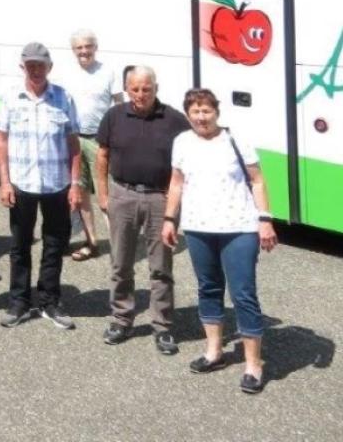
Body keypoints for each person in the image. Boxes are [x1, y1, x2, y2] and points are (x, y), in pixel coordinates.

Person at [163, 88, 278, 393]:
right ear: (188, 114)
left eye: (206, 111)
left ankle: (253, 365)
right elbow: (176, 184)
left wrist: (265, 219)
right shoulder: (182, 141)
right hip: (198, 228)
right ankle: (214, 352)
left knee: (243, 294)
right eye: (195, 111)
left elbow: (257, 181)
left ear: (217, 112)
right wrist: (169, 219)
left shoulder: (235, 139)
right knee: (208, 288)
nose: (201, 117)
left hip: (239, 228)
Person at [95, 66, 191, 355]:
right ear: (127, 89)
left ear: (156, 88)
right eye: (134, 89)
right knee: (120, 263)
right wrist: (103, 194)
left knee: (161, 267)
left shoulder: (175, 120)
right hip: (122, 195)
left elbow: (187, 162)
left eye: (146, 89)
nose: (140, 94)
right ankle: (121, 319)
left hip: (159, 198)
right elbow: (102, 156)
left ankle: (162, 326)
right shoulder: (114, 116)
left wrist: (176, 201)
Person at [0, 42, 81, 330]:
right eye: (30, 65)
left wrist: (75, 184)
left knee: (54, 246)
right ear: (23, 67)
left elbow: (74, 143)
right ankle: (19, 302)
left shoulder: (64, 97)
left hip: (57, 184)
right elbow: (1, 141)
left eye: (40, 65)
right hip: (21, 184)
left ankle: (49, 302)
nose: (35, 70)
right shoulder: (10, 98)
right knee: (20, 246)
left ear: (49, 67)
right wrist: (4, 181)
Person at [58, 30, 123, 261]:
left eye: (88, 46)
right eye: (79, 47)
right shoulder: (65, 74)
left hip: (100, 141)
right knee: (82, 193)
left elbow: (119, 105)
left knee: (107, 195)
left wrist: (116, 137)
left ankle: (119, 249)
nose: (84, 51)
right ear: (73, 50)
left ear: (96, 47)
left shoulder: (108, 72)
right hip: (74, 140)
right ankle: (92, 242)